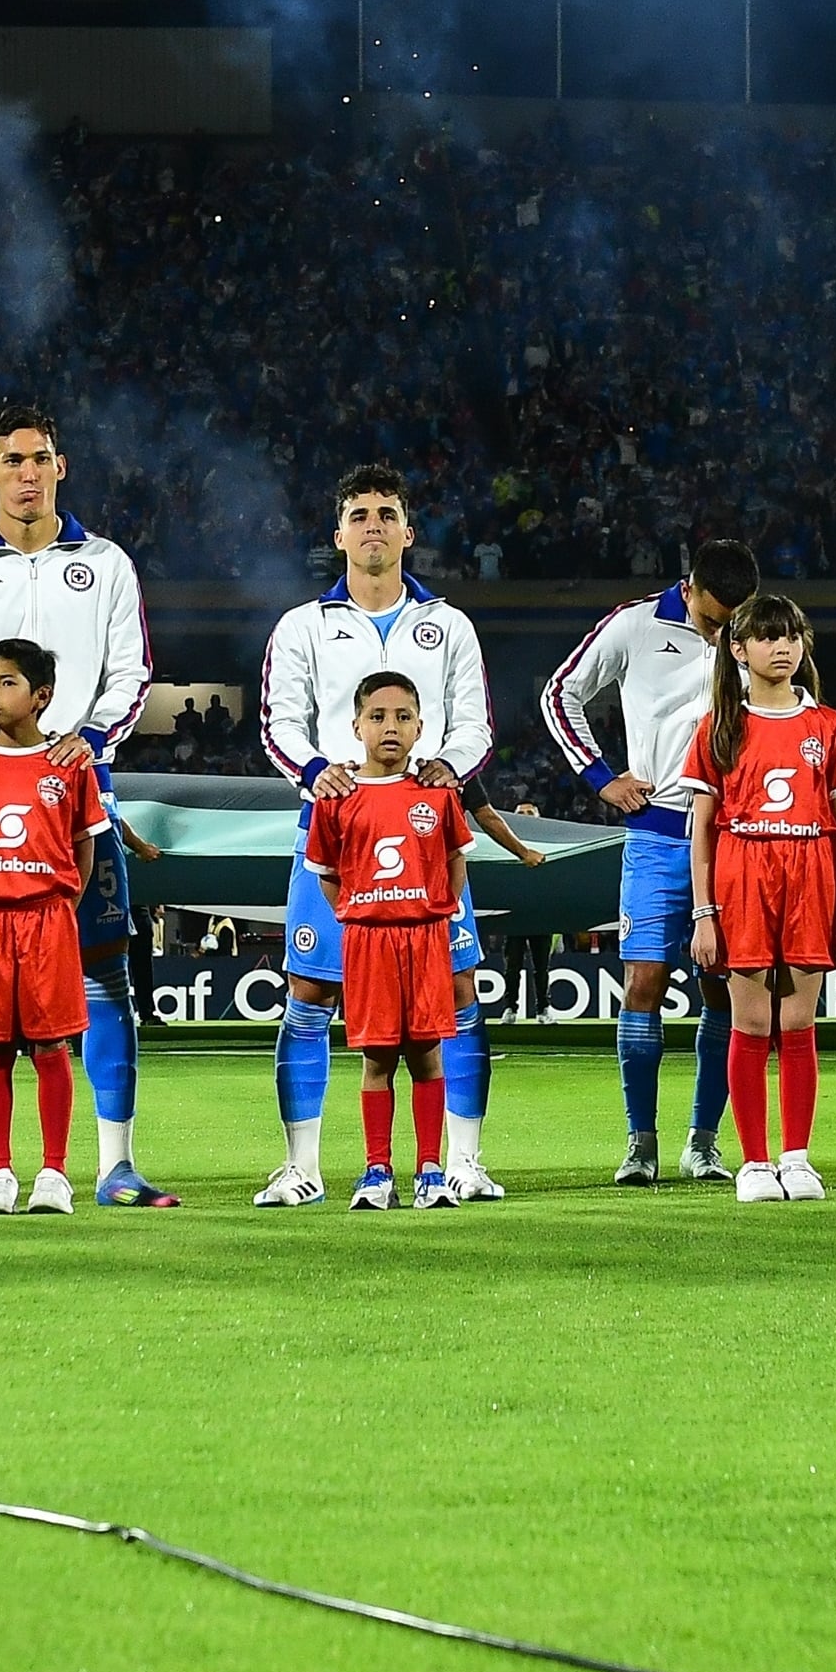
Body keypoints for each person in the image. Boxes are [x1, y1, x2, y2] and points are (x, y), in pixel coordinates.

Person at [0, 403, 162, 1209]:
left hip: (79, 790)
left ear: (60, 466)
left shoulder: (107, 563)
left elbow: (132, 672)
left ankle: (115, 1163)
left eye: (40, 458)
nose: (26, 473)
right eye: (12, 461)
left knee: (106, 983)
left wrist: (89, 734)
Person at [257, 464, 500, 1206]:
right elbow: (279, 723)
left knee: (457, 992)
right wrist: (314, 771)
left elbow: (475, 725)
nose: (372, 526)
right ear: (339, 535)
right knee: (308, 991)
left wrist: (444, 770)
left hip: (426, 833)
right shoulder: (302, 626)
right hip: (333, 832)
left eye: (385, 513)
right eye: (358, 514)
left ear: (407, 531)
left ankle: (460, 1160)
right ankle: (302, 1167)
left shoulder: (449, 625)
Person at [542, 536, 758, 1185]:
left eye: (733, 625)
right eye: (714, 621)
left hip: (732, 840)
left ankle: (705, 1142)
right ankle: (641, 1143)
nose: (723, 636)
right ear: (688, 588)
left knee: (724, 986)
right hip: (658, 834)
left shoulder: (756, 637)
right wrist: (600, 776)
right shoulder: (636, 625)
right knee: (644, 983)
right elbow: (561, 694)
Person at [681, 594, 836, 1204]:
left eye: (790, 636)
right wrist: (704, 914)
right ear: (738, 649)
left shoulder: (827, 727)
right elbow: (702, 832)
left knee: (799, 1022)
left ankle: (796, 1157)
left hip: (809, 873)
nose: (781, 648)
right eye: (766, 637)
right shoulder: (719, 727)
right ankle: (755, 1162)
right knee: (751, 1021)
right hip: (743, 875)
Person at [0, 640, 108, 1215]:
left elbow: (83, 848)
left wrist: (59, 905)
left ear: (41, 696)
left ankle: (55, 1173)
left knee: (50, 1046)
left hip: (45, 918)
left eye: (6, 683)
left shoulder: (69, 764)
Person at [302, 672, 471, 1210]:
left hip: (424, 937)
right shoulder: (338, 797)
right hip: (368, 941)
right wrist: (356, 916)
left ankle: (430, 1169)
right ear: (355, 726)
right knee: (377, 1059)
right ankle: (377, 1170)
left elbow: (454, 861)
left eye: (402, 717)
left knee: (427, 1055)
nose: (390, 727)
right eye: (377, 717)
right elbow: (326, 872)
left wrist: (436, 912)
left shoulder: (437, 794)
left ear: (420, 727)